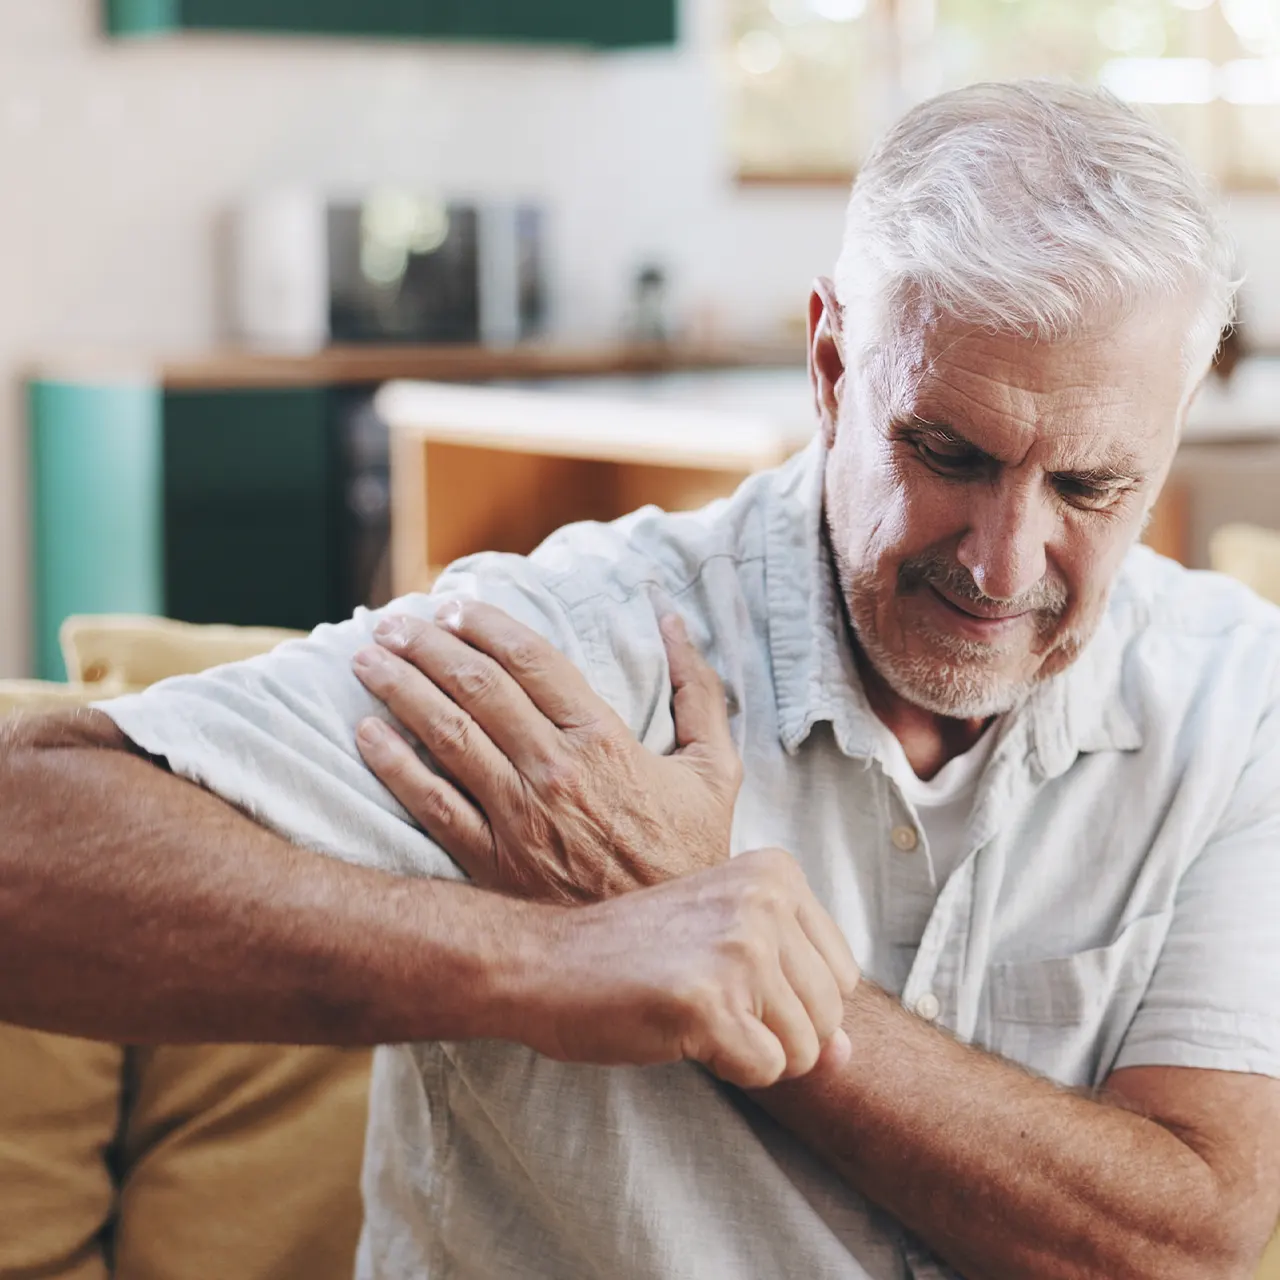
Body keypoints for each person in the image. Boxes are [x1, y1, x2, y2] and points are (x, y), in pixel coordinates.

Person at [3, 80, 1279, 1278]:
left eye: (1088, 486)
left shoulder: (1239, 699)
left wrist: (719, 933)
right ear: (831, 367)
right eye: (946, 451)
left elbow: (1190, 1240)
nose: (1003, 562)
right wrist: (544, 958)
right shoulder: (566, 657)